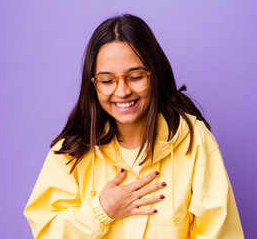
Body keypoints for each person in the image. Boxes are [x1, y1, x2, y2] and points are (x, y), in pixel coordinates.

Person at [24, 14, 244, 238]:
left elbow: (221, 233)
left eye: (136, 76)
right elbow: (46, 232)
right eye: (107, 81)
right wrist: (102, 210)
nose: (122, 92)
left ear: (155, 74)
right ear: (93, 85)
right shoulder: (71, 151)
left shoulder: (194, 141)